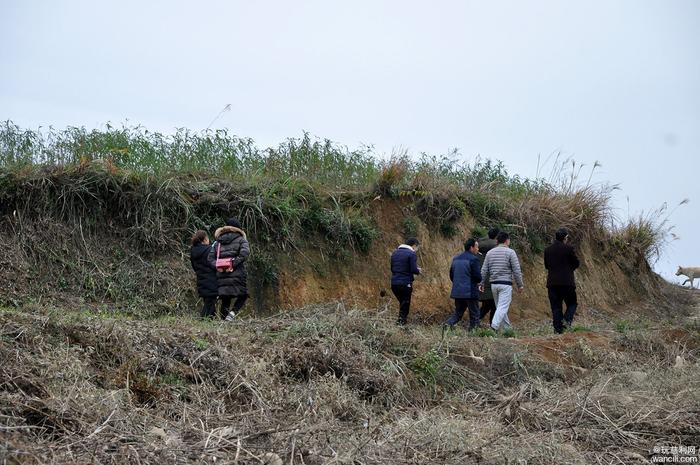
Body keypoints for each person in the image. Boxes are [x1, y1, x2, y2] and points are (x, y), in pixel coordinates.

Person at [480, 231, 524, 332]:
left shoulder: (490, 253)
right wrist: (520, 285)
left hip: (494, 285)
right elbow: (516, 270)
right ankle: (493, 326)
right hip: (505, 284)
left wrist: (481, 283)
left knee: (500, 307)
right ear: (507, 241)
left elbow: (484, 269)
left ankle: (508, 330)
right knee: (502, 307)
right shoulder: (510, 252)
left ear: (497, 241)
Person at [208, 218, 250, 321]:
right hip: (237, 273)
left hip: (222, 274)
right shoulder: (241, 240)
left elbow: (210, 258)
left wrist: (218, 266)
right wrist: (232, 264)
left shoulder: (218, 242)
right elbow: (245, 253)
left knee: (226, 298)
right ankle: (232, 313)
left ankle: (223, 322)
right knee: (243, 295)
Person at [544, 228, 580, 334]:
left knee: (556, 307)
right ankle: (566, 322)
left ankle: (557, 330)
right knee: (572, 303)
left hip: (552, 283)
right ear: (565, 238)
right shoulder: (569, 249)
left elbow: (547, 266)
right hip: (567, 283)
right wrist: (569, 269)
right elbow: (576, 263)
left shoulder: (548, 250)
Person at [444, 238, 482, 330]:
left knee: (458, 313)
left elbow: (451, 275)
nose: (478, 249)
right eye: (476, 246)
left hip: (458, 291)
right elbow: (478, 277)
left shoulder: (456, 259)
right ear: (471, 247)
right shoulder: (474, 259)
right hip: (470, 291)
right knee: (474, 314)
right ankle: (473, 332)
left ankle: (447, 325)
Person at [390, 237, 421, 325]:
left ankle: (401, 324)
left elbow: (392, 268)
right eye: (417, 248)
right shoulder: (411, 254)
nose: (416, 250)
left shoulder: (395, 253)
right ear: (414, 245)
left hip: (394, 284)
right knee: (405, 305)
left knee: (402, 304)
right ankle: (401, 325)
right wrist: (418, 271)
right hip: (405, 283)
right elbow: (413, 269)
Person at [190, 230, 218, 318]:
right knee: (209, 304)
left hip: (201, 279)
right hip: (211, 280)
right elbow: (214, 265)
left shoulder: (193, 251)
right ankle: (203, 320)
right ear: (205, 239)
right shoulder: (209, 249)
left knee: (209, 302)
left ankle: (211, 321)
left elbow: (194, 267)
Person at [478, 228, 499, 324]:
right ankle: (492, 325)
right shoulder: (497, 248)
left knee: (486, 305)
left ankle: (475, 321)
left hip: (481, 281)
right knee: (493, 305)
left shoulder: (478, 246)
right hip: (492, 280)